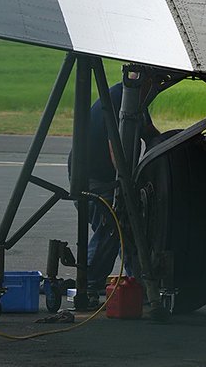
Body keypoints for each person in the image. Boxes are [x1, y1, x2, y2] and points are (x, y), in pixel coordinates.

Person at [66, 82, 158, 306]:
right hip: (92, 178)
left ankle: (138, 282)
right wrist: (128, 183)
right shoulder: (119, 99)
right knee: (114, 220)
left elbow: (150, 134)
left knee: (128, 224)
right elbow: (115, 148)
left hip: (104, 177)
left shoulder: (135, 98)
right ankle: (89, 282)